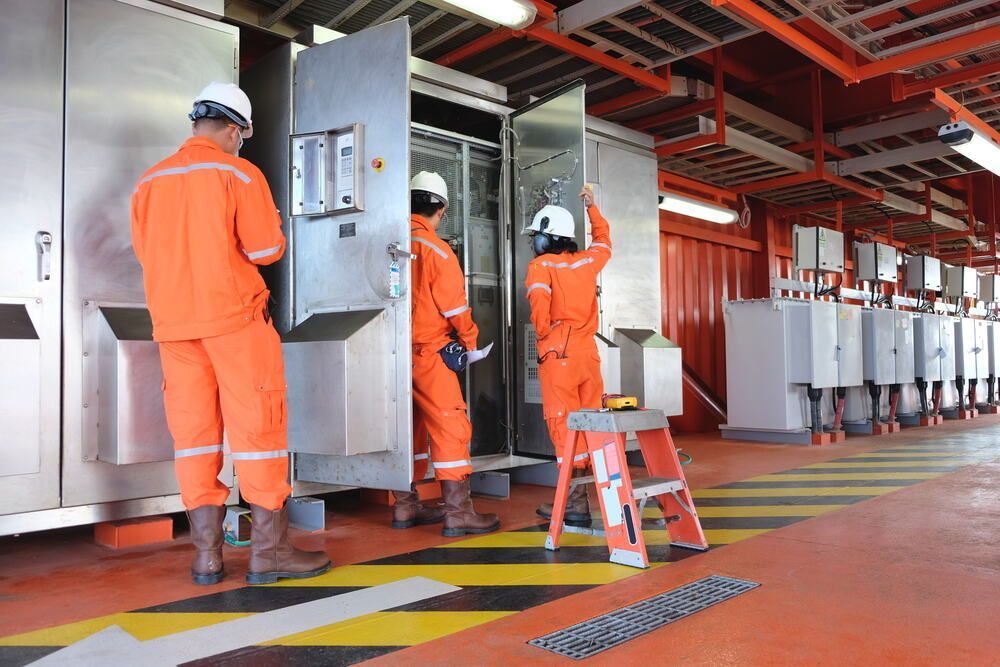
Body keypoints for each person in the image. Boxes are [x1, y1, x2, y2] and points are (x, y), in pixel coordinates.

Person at [131, 82, 331, 585]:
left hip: (175, 327)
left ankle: (207, 557)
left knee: (195, 437)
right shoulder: (238, 173)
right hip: (235, 323)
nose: (241, 142)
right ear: (233, 128)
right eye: (242, 134)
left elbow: (145, 252)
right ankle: (269, 553)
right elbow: (266, 251)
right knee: (259, 431)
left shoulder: (149, 182)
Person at [397, 171, 500, 537]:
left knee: (405, 429)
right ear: (440, 210)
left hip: (391, 357)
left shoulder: (391, 243)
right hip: (431, 355)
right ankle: (458, 512)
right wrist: (471, 345)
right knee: (450, 427)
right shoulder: (438, 251)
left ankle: (405, 506)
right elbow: (455, 309)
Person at [524, 188, 612, 527]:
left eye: (536, 235)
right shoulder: (588, 261)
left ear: (548, 236)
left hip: (558, 352)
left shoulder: (540, 266)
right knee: (590, 422)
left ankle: (575, 503)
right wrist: (592, 209)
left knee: (564, 426)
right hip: (588, 353)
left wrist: (546, 335)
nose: (533, 241)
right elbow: (604, 242)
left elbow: (539, 312)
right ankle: (595, 495)